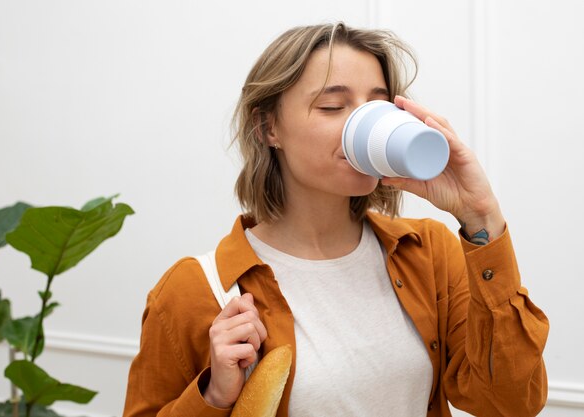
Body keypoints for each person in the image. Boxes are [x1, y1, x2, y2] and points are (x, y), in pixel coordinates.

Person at [123, 22, 549, 417]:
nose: (365, 124)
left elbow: (509, 402)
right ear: (268, 128)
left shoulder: (428, 253)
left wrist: (481, 215)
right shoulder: (191, 291)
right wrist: (214, 395)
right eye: (332, 106)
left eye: (378, 106)